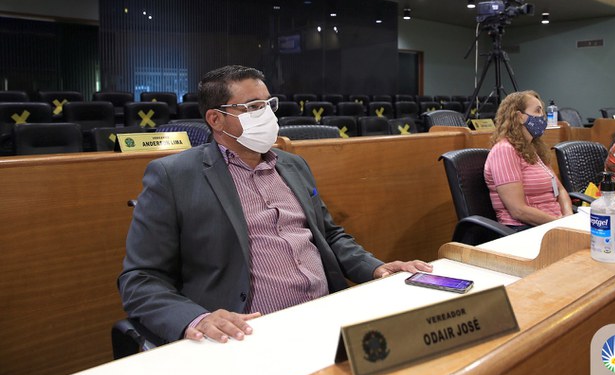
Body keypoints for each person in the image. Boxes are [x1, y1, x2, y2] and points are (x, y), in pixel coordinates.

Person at [118, 65, 432, 344]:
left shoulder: (293, 165)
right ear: (215, 119)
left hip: (327, 314)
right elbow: (140, 279)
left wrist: (375, 267)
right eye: (254, 107)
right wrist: (197, 319)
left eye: (269, 104)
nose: (268, 115)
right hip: (247, 333)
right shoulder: (173, 176)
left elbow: (329, 235)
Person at [484, 91, 572, 232]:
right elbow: (518, 210)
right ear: (520, 117)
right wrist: (559, 224)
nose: (542, 117)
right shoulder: (504, 150)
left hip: (553, 224)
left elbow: (560, 190)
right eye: (537, 111)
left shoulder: (533, 149)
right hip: (524, 229)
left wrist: (568, 216)